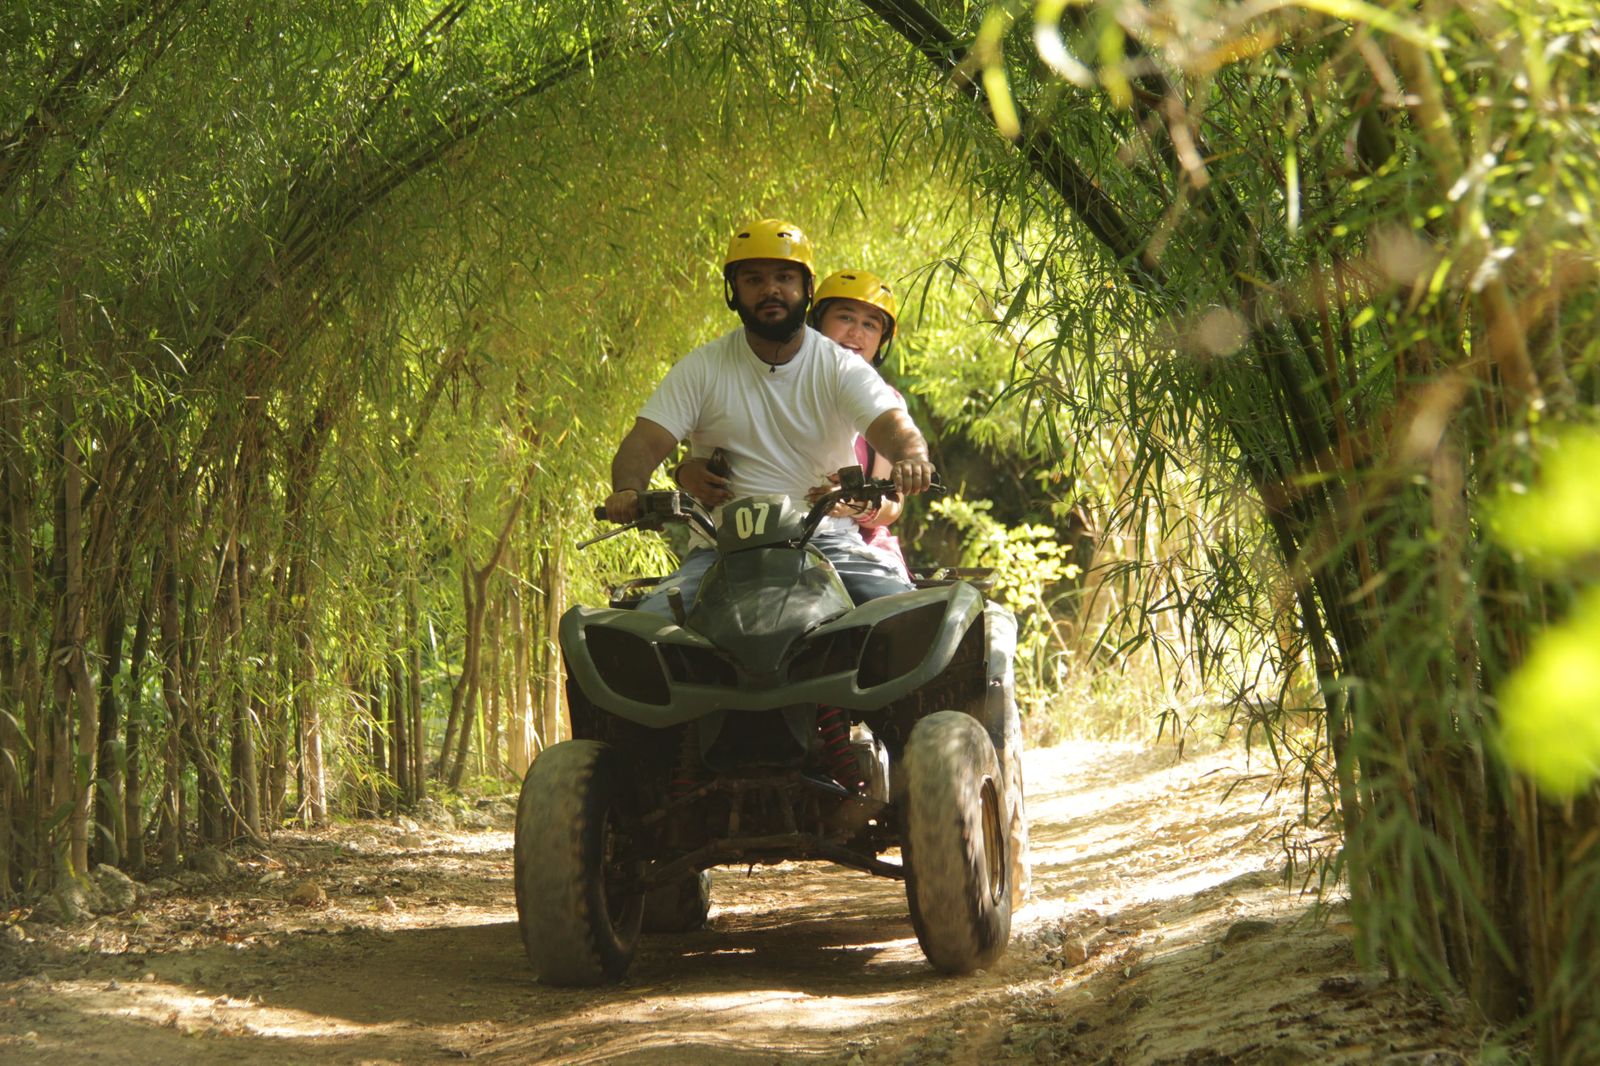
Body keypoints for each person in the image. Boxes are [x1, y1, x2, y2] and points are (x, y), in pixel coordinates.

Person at [602, 219, 936, 615]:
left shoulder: (840, 367)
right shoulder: (700, 368)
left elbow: (892, 425)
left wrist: (912, 457)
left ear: (807, 289)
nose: (770, 290)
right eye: (753, 279)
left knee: (906, 616)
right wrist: (628, 490)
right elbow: (644, 442)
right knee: (648, 629)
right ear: (733, 291)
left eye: (784, 278)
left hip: (828, 543)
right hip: (719, 548)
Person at [677, 267, 910, 579]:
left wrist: (855, 504)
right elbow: (723, 450)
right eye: (845, 317)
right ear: (816, 321)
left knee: (889, 600)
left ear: (882, 340)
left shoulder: (886, 404)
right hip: (746, 537)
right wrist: (685, 472)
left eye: (870, 324)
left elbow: (891, 502)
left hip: (846, 541)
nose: (857, 332)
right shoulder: (773, 376)